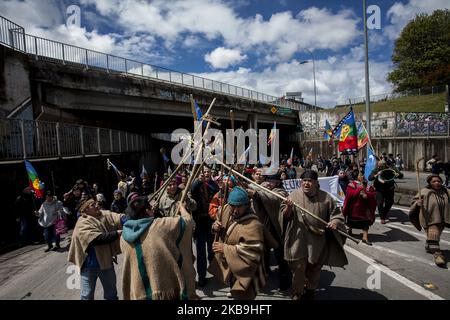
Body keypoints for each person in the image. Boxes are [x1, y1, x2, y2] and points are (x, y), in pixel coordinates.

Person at [280, 169, 348, 300]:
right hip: (297, 238)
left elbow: (337, 215)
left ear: (316, 183)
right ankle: (297, 292)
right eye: (304, 181)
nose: (306, 184)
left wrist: (334, 222)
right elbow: (284, 215)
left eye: (310, 181)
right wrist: (288, 208)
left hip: (317, 240)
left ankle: (310, 290)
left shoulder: (326, 197)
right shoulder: (293, 196)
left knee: (315, 267)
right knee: (299, 268)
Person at [120, 197, 196, 299]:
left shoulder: (123, 237)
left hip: (139, 292)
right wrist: (182, 208)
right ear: (147, 211)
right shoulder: (159, 226)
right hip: (165, 291)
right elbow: (187, 222)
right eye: (151, 209)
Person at [210, 186, 265, 300]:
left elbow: (253, 252)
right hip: (232, 265)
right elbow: (217, 223)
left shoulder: (253, 224)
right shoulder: (225, 209)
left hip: (247, 270)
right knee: (234, 289)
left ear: (246, 205)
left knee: (245, 295)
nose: (234, 210)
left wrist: (225, 248)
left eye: (238, 206)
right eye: (232, 205)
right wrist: (215, 227)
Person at [68, 199, 125, 300]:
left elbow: (116, 216)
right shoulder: (82, 222)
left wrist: (125, 220)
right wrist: (117, 233)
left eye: (95, 203)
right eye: (92, 205)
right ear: (85, 210)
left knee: (111, 295)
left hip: (106, 262)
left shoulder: (102, 214)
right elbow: (97, 239)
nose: (96, 205)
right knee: (87, 296)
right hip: (88, 266)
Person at [247, 172, 291, 291]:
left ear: (277, 182)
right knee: (264, 252)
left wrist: (256, 193)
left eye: (270, 181)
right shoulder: (265, 188)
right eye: (267, 181)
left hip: (277, 228)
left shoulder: (280, 192)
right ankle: (264, 275)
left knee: (280, 255)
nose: (267, 183)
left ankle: (285, 279)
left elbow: (273, 198)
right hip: (264, 227)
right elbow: (254, 189)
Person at [409, 174, 449, 267]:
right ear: (430, 183)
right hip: (429, 218)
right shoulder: (424, 191)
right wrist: (417, 204)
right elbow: (413, 202)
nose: (437, 183)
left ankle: (429, 246)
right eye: (434, 181)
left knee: (435, 235)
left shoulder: (446, 191)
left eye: (438, 181)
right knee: (433, 235)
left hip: (442, 219)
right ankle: (437, 255)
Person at [191, 167, 219, 287]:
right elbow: (192, 190)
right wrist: (199, 181)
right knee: (200, 251)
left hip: (211, 222)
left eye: (208, 172)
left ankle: (215, 271)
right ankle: (201, 276)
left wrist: (209, 182)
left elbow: (217, 192)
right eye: (204, 172)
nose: (206, 174)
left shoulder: (213, 185)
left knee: (212, 249)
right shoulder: (196, 185)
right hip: (199, 223)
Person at [342, 174, 377, 245]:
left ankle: (365, 237)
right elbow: (350, 195)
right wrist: (358, 189)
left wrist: (367, 195)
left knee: (365, 223)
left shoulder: (369, 186)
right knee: (350, 222)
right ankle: (349, 231)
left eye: (362, 175)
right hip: (353, 208)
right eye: (359, 175)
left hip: (364, 209)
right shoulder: (351, 185)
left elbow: (373, 195)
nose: (361, 176)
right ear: (357, 176)